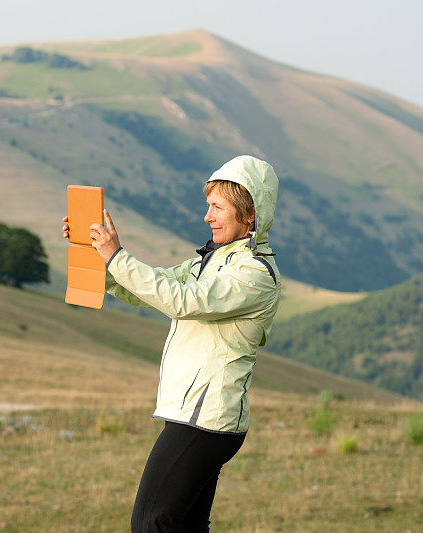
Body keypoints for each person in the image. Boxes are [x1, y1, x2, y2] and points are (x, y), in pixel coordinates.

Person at [61, 155, 281, 532]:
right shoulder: (207, 262)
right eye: (207, 206)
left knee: (151, 524)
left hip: (207, 420)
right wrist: (102, 259)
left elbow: (182, 301)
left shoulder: (254, 273)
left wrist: (117, 256)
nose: (207, 217)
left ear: (249, 216)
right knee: (185, 525)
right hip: (198, 417)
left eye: (217, 207)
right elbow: (152, 290)